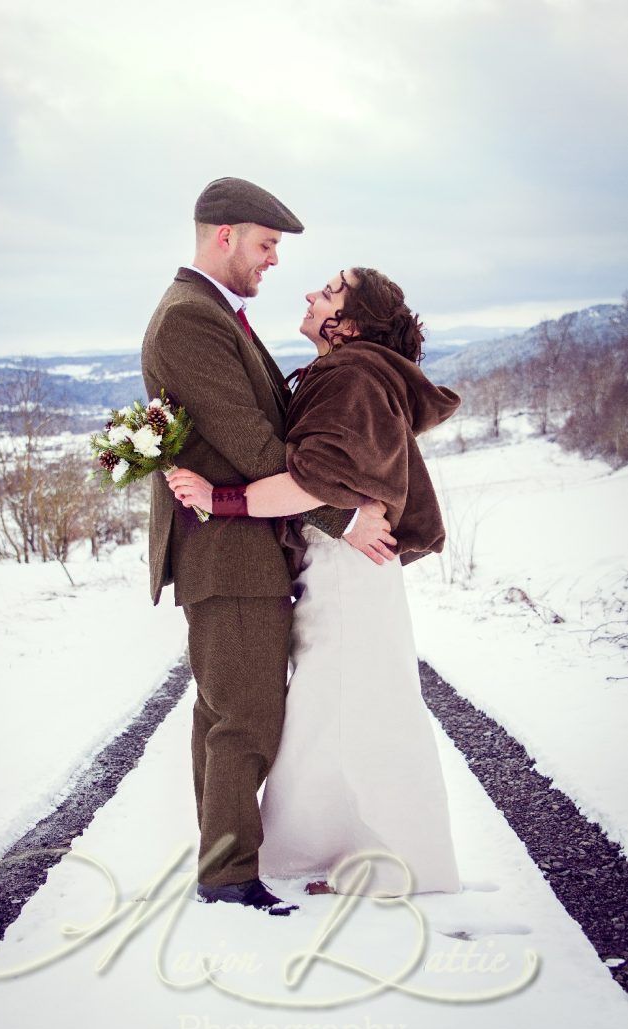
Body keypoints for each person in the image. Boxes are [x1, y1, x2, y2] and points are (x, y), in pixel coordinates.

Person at [141, 179, 397, 917]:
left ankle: (222, 862)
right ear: (224, 235)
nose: (274, 261)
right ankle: (226, 879)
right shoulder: (190, 319)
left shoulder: (216, 314)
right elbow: (257, 447)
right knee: (245, 718)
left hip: (241, 548)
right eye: (266, 244)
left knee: (225, 713)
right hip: (228, 554)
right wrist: (341, 519)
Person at [167, 266, 464, 899]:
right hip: (344, 567)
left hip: (350, 573)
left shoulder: (350, 375)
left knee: (354, 708)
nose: (308, 293)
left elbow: (311, 480)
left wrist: (221, 500)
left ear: (348, 324)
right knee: (335, 711)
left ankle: (392, 860)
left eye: (328, 292)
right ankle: (351, 848)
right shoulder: (355, 373)